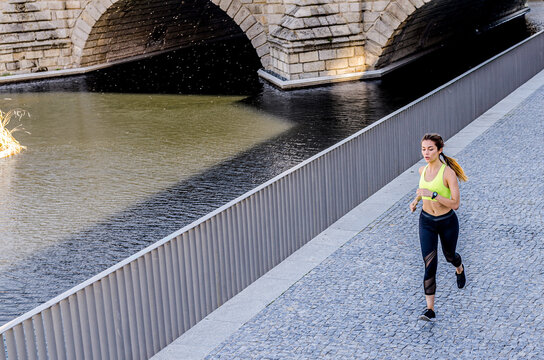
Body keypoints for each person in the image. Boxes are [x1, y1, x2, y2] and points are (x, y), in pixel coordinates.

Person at [409, 133, 468, 321]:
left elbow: (455, 203)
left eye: (430, 149)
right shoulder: (422, 171)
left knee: (450, 256)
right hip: (426, 222)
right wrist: (416, 200)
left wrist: (433, 194)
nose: (426, 153)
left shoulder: (448, 174)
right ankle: (430, 309)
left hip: (447, 222)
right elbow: (421, 189)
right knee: (430, 264)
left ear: (439, 150)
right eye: (423, 149)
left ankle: (459, 268)